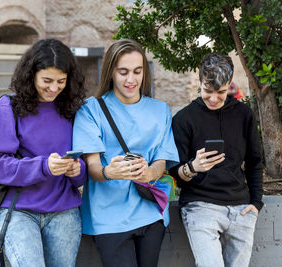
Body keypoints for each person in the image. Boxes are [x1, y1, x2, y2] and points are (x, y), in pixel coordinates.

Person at [72, 39, 179, 267]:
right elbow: (93, 168)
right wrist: (109, 171)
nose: (131, 80)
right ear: (110, 72)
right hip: (109, 218)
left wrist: (149, 173)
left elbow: (163, 159)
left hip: (151, 213)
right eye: (123, 72)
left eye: (137, 71)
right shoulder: (90, 110)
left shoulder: (160, 110)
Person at [0, 39, 87, 267]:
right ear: (31, 75)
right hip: (20, 211)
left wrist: (76, 170)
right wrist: (43, 167)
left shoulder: (73, 111)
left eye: (61, 81)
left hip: (65, 212)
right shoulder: (7, 107)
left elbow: (84, 175)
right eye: (47, 81)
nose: (54, 88)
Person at [169, 53, 263, 267]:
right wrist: (193, 167)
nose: (213, 98)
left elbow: (254, 162)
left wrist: (256, 204)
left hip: (241, 209)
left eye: (220, 92)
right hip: (200, 206)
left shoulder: (244, 114)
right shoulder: (184, 119)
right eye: (207, 91)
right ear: (200, 82)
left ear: (229, 85)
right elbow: (173, 174)